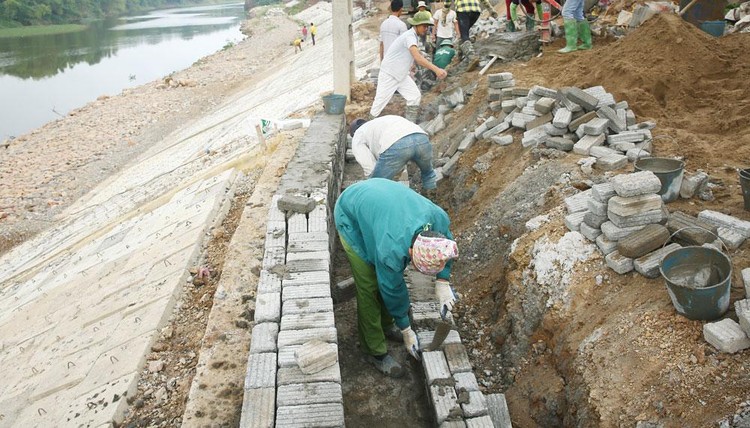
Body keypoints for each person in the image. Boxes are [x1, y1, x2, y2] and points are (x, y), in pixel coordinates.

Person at [334, 178, 459, 377]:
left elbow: (449, 246)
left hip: (381, 203)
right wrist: (406, 328)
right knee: (371, 286)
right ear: (411, 251)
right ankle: (374, 350)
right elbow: (391, 287)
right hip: (351, 216)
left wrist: (443, 281)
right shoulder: (390, 249)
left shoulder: (438, 218)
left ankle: (386, 325)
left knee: (387, 275)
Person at [370, 11, 447, 122]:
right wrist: (436, 69)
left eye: (427, 26)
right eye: (424, 26)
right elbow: (418, 57)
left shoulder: (413, 36)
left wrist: (411, 64)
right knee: (379, 104)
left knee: (414, 96)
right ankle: (365, 128)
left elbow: (412, 54)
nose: (426, 29)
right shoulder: (409, 36)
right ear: (416, 25)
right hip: (390, 73)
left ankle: (409, 126)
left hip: (401, 74)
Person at [349, 116, 438, 190]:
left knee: (377, 186)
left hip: (397, 144)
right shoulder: (380, 122)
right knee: (428, 174)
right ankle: (432, 198)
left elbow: (367, 163)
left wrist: (372, 179)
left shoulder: (358, 134)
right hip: (421, 138)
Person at [454, 0, 496, 70]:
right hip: (476, 11)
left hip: (463, 10)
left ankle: (472, 57)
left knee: (464, 35)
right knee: (464, 33)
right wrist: (491, 10)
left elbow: (447, 2)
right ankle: (459, 56)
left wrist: (444, 16)